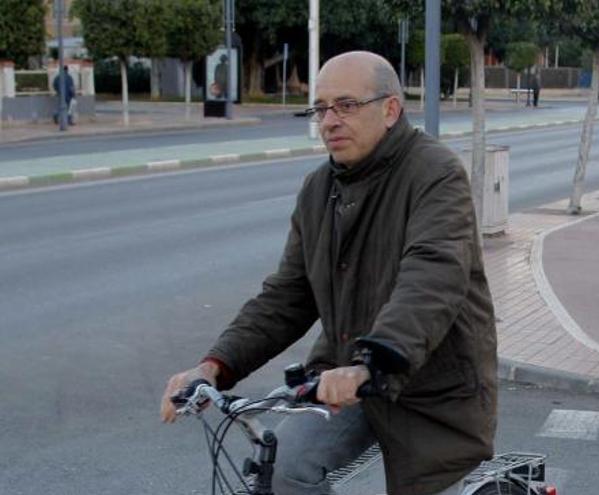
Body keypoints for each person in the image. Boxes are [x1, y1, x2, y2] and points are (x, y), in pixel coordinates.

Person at [160, 51, 498, 495]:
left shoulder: (435, 174)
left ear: (390, 109)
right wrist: (213, 366)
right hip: (346, 376)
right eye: (321, 108)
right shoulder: (319, 189)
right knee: (284, 468)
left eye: (346, 105)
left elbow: (431, 279)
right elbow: (286, 296)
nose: (329, 121)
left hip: (429, 383)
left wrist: (371, 364)